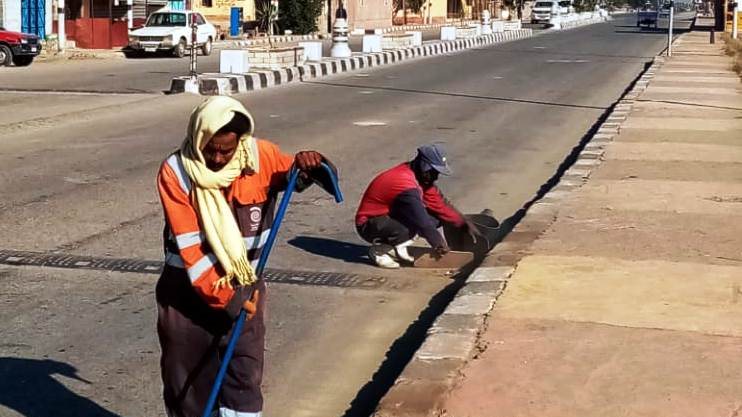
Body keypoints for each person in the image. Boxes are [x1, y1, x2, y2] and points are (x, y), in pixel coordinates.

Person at [155, 96, 333, 417]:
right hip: (187, 296)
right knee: (189, 392)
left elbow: (296, 173)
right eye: (211, 148)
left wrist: (312, 165)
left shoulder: (260, 157)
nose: (219, 158)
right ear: (197, 138)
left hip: (247, 289)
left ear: (241, 140)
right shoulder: (177, 171)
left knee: (243, 383)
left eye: (227, 149)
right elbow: (192, 248)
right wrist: (231, 299)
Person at [355, 144, 479, 268]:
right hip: (370, 224)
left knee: (437, 218)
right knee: (415, 225)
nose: (436, 177)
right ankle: (381, 250)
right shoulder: (404, 183)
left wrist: (463, 223)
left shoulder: (420, 178)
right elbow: (421, 220)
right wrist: (438, 244)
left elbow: (440, 205)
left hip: (391, 216)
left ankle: (395, 243)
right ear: (424, 167)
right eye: (433, 172)